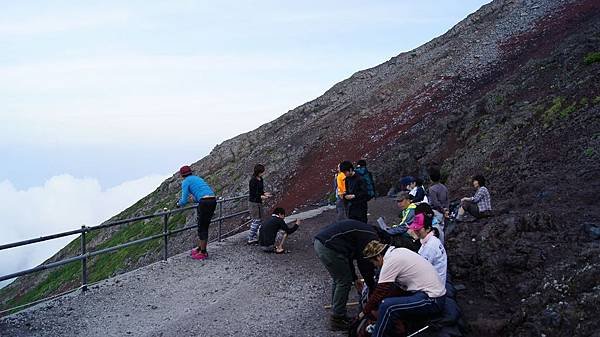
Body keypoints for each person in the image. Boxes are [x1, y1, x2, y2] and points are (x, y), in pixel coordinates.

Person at [362, 241, 446, 337]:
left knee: (387, 306)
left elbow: (380, 291)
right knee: (388, 299)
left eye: (374, 263)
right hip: (428, 292)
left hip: (432, 299)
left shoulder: (390, 261)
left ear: (378, 257)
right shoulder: (399, 251)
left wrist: (364, 311)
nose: (376, 266)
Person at [314, 219, 378, 330]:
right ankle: (337, 319)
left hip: (321, 243)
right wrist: (372, 287)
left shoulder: (363, 231)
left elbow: (348, 257)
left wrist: (355, 278)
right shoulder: (370, 236)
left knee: (338, 279)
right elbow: (363, 264)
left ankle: (337, 310)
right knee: (343, 281)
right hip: (329, 247)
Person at [176, 165, 217, 260]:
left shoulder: (186, 182)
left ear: (182, 175)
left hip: (204, 202)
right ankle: (200, 248)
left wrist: (178, 204)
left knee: (202, 227)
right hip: (212, 200)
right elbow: (200, 193)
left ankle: (203, 252)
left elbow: (184, 200)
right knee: (204, 225)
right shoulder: (197, 178)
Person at [409, 210, 447, 284]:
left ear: (428, 228)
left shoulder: (430, 246)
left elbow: (420, 269)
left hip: (434, 285)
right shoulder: (431, 240)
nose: (415, 232)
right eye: (415, 229)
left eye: (418, 230)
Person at [247, 164, 271, 244]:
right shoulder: (253, 180)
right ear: (258, 172)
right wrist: (261, 196)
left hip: (259, 202)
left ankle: (254, 236)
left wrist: (264, 193)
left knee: (260, 220)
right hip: (253, 202)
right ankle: (250, 238)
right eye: (261, 172)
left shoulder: (261, 179)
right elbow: (253, 193)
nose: (263, 173)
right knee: (256, 220)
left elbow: (260, 190)